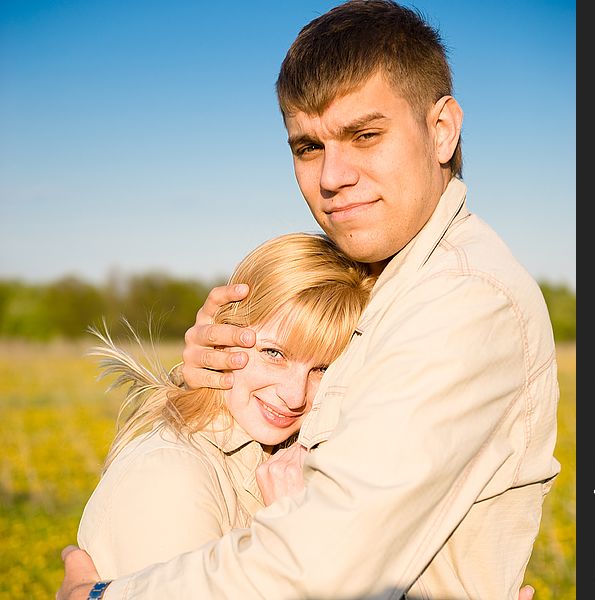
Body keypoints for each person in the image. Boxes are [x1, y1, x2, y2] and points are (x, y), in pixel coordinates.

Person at [58, 1, 559, 598]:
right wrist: (210, 382)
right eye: (307, 147)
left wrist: (102, 596)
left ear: (442, 129)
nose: (331, 175)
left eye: (365, 135)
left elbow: (322, 570)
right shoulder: (389, 285)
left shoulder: (461, 300)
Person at [76, 232, 375, 580]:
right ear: (221, 336)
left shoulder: (306, 456)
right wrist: (294, 531)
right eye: (273, 353)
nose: (295, 396)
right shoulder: (170, 475)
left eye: (322, 369)